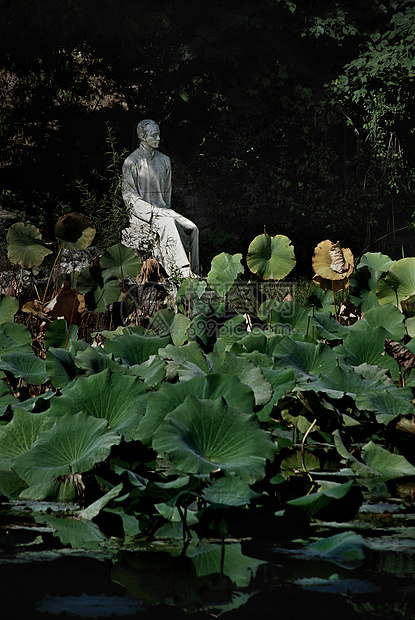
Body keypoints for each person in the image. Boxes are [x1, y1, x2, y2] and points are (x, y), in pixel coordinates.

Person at [121, 119, 199, 276]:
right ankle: (181, 271)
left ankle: (196, 271)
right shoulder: (131, 161)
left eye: (159, 135)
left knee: (193, 228)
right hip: (143, 215)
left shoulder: (164, 160)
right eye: (154, 136)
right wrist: (151, 212)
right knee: (168, 223)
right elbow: (129, 197)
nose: (158, 139)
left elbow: (166, 192)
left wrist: (165, 210)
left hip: (163, 210)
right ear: (143, 136)